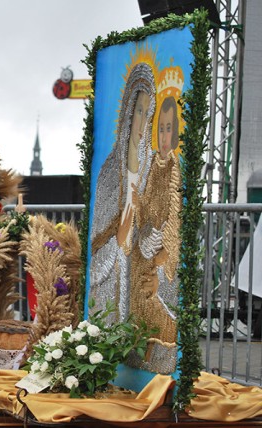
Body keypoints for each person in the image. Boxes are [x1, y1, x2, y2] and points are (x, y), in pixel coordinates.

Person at [89, 61, 156, 324]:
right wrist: (118, 238)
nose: (142, 120)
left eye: (147, 113)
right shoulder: (110, 170)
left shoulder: (151, 165)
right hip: (111, 266)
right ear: (129, 112)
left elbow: (154, 220)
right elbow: (99, 233)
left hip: (138, 263)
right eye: (138, 110)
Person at [129, 70, 184, 374]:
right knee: (139, 324)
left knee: (161, 329)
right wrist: (139, 211)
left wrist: (162, 263)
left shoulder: (175, 169)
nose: (164, 137)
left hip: (160, 267)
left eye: (169, 129)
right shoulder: (152, 166)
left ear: (175, 132)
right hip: (142, 259)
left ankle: (162, 381)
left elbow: (174, 223)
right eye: (160, 129)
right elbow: (146, 210)